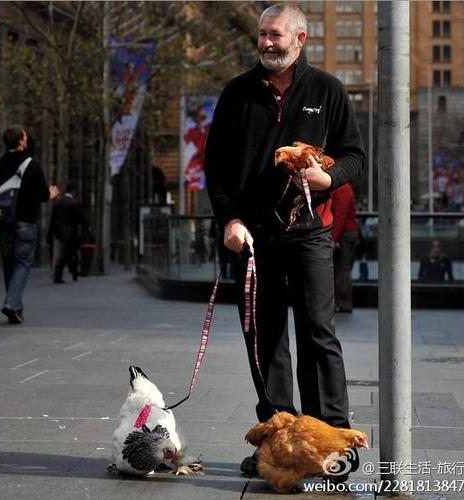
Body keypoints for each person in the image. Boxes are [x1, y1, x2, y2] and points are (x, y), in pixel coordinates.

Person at [204, 3, 365, 476]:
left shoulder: (327, 90)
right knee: (265, 340)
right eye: (263, 35)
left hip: (311, 234)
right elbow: (215, 166)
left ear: (300, 39)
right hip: (252, 238)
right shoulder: (236, 93)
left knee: (319, 335)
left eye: (276, 35)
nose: (267, 43)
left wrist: (326, 179)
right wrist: (230, 220)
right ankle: (276, 444)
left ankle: (333, 444)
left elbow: (354, 155)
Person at [0, 125, 58, 324]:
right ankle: (11, 303)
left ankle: (16, 310)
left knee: (9, 264)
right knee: (23, 263)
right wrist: (51, 194)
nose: (27, 139)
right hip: (25, 221)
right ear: (21, 141)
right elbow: (43, 195)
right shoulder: (32, 165)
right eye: (25, 136)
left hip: (3, 221)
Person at [48, 181, 89, 284]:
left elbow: (53, 219)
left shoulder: (57, 202)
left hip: (60, 232)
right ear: (74, 191)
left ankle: (73, 271)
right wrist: (86, 228)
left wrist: (50, 233)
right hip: (71, 232)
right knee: (67, 253)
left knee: (69, 252)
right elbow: (82, 219)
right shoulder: (75, 203)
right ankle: (60, 274)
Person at [330, 183, 360, 313]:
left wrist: (333, 238)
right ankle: (341, 302)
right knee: (341, 269)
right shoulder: (344, 188)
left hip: (344, 234)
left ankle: (342, 302)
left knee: (342, 270)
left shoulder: (342, 188)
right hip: (345, 233)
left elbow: (340, 215)